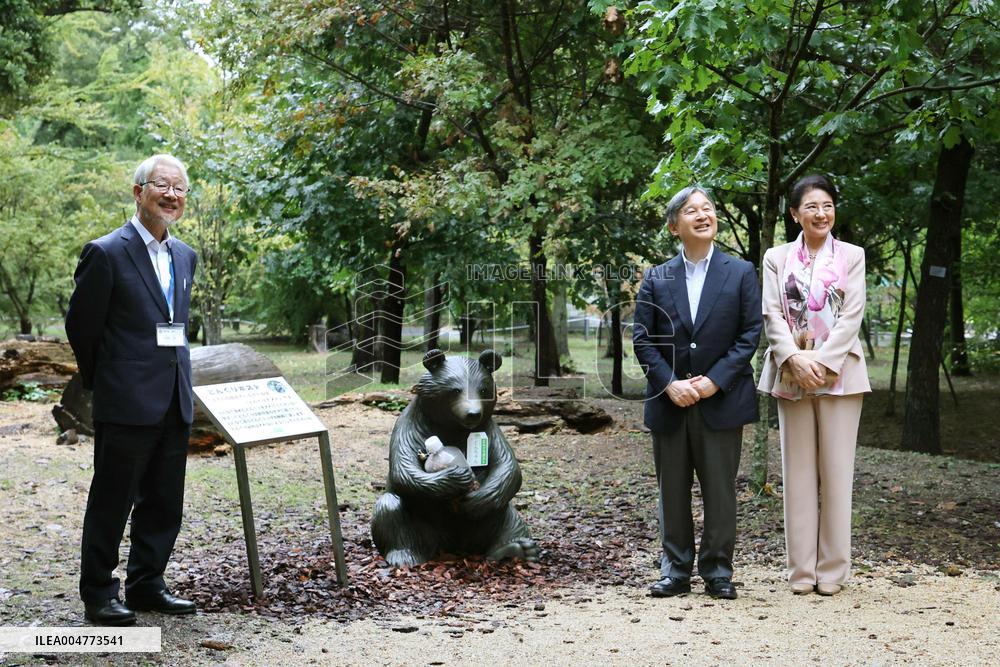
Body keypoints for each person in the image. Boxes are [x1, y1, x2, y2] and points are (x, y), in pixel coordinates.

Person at [66, 154, 199, 625]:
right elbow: (81, 327)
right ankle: (99, 592)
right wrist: (109, 382)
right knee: (112, 499)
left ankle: (147, 583)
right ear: (138, 191)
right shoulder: (105, 252)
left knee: (165, 500)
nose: (172, 195)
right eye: (162, 185)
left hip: (174, 396)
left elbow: (175, 327)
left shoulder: (185, 256)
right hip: (125, 400)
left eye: (180, 188)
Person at [633, 186, 762, 600]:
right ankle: (675, 570)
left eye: (707, 208)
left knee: (720, 491)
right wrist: (669, 382)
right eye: (692, 210)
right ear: (675, 226)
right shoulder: (656, 276)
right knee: (671, 490)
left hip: (721, 400)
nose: (703, 215)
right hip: (670, 401)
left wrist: (714, 380)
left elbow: (749, 334)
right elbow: (642, 339)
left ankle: (718, 570)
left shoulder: (740, 272)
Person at [757, 174, 871, 596]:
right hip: (791, 372)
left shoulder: (852, 255)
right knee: (798, 475)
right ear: (794, 214)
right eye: (811, 207)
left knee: (837, 474)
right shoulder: (777, 257)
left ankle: (834, 571)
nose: (821, 213)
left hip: (840, 372)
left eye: (827, 205)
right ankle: (800, 572)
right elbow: (771, 313)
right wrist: (793, 359)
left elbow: (852, 313)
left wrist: (821, 363)